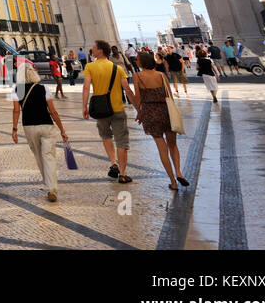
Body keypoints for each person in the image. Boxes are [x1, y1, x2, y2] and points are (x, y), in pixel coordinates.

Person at [81, 39, 138, 185]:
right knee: (121, 142)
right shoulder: (117, 68)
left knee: (106, 136)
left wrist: (84, 106)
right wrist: (139, 109)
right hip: (118, 109)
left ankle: (114, 163)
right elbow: (127, 89)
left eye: (94, 47)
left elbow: (86, 87)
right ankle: (123, 174)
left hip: (101, 110)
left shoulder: (90, 67)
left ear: (100, 50)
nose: (92, 50)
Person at [11, 62, 68, 202]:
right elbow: (53, 111)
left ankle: (49, 186)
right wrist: (62, 130)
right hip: (46, 126)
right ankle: (51, 188)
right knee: (49, 156)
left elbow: (16, 110)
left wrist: (14, 129)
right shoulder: (44, 89)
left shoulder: (16, 90)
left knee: (39, 156)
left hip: (29, 127)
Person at [133, 52, 188, 191]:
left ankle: (173, 181)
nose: (136, 61)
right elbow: (169, 95)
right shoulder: (161, 75)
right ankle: (179, 172)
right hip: (165, 111)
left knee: (161, 148)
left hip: (150, 112)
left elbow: (138, 98)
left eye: (137, 59)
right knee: (173, 145)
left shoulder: (138, 76)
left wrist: (140, 113)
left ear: (142, 62)